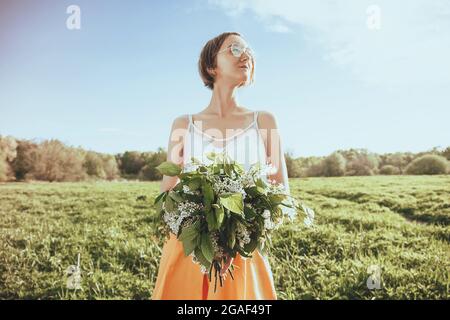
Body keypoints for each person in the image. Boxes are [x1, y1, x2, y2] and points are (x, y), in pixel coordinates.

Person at [151, 32, 290, 300]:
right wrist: (205, 237)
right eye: (234, 49)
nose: (246, 55)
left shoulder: (265, 121)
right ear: (210, 66)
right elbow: (168, 194)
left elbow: (281, 192)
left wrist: (236, 237)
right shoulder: (183, 125)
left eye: (248, 50)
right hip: (189, 252)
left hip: (243, 254)